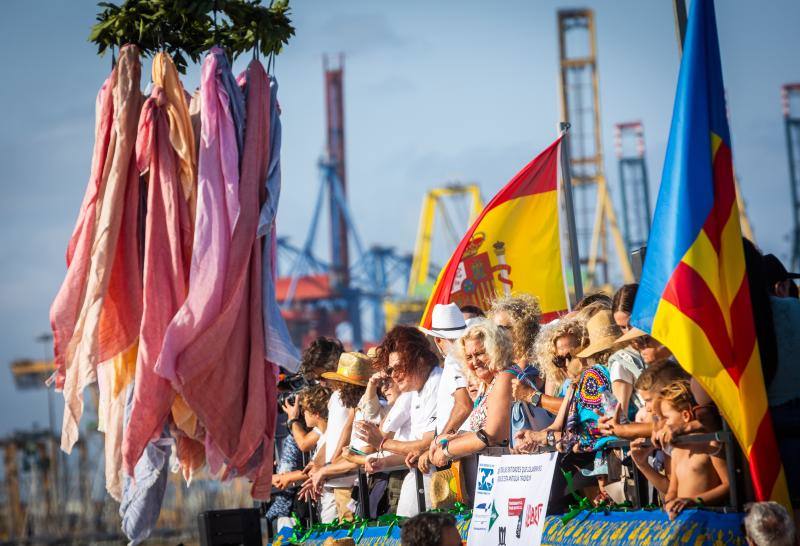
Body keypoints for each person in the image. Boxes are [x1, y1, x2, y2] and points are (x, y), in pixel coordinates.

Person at [356, 326, 442, 516]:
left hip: (440, 490)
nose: (393, 375)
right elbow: (415, 450)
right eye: (389, 370)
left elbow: (426, 444)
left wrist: (382, 443)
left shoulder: (437, 383)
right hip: (421, 485)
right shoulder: (416, 388)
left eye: (398, 367)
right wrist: (384, 463)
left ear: (420, 359)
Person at [430, 320, 514, 467]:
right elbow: (479, 432)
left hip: (509, 473)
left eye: (480, 354)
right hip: (491, 472)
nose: (475, 362)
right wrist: (442, 439)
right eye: (469, 357)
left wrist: (446, 450)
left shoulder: (505, 378)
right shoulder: (485, 386)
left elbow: (490, 436)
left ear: (496, 350)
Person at [299, 352, 370, 523]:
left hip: (348, 480)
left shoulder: (361, 405)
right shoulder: (341, 400)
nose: (325, 383)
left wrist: (326, 469)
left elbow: (354, 447)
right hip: (337, 479)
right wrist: (322, 467)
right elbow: (335, 436)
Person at [660, 381, 729, 520]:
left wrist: (694, 501)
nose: (664, 423)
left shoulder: (711, 443)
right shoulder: (677, 449)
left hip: (708, 518)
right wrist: (670, 500)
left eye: (666, 417)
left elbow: (728, 485)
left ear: (686, 415)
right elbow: (673, 488)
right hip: (684, 518)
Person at [418, 303, 473, 473]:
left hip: (459, 450)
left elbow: (463, 406)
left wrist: (439, 441)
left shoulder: (453, 359)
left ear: (438, 340)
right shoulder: (466, 355)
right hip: (468, 443)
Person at [535, 319, 587, 398]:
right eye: (560, 360)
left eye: (571, 357)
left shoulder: (595, 377)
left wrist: (531, 395)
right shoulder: (560, 381)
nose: (567, 364)